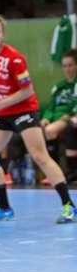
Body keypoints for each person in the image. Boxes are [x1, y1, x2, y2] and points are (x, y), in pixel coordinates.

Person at [0, 14, 75, 223]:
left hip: (24, 109)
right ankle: (4, 207)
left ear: (3, 34)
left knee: (39, 156)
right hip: (3, 110)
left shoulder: (14, 58)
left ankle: (69, 206)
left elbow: (27, 91)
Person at [40, 49, 77, 185]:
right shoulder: (59, 87)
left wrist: (72, 116)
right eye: (64, 66)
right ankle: (54, 173)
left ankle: (54, 174)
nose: (67, 69)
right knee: (42, 128)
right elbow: (51, 107)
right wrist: (46, 118)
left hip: (67, 119)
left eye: (70, 65)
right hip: (56, 119)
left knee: (50, 130)